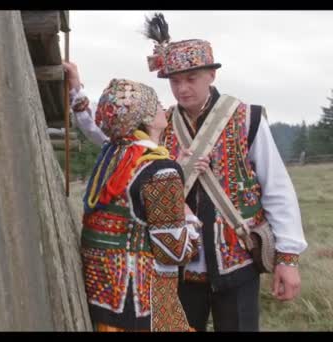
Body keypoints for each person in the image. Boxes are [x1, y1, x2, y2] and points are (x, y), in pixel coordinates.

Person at [142, 13, 308, 331]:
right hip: (179, 266)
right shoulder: (160, 124)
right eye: (175, 81)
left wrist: (287, 260)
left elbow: (276, 188)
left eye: (191, 78)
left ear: (211, 76)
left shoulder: (247, 118)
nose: (182, 89)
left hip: (238, 263)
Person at [70, 76, 201, 331]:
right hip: (141, 306)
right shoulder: (160, 169)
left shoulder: (113, 155)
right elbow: (174, 251)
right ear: (148, 119)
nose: (165, 109)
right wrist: (191, 221)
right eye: (159, 105)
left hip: (103, 296)